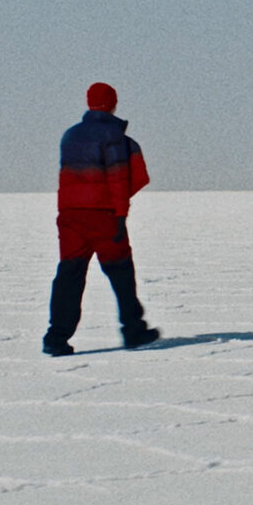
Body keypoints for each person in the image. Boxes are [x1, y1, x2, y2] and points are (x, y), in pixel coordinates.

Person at [43, 82, 160, 356]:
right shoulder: (113, 136)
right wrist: (121, 215)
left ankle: (56, 338)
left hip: (71, 217)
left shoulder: (69, 136)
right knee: (121, 273)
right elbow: (118, 178)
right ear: (113, 103)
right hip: (103, 216)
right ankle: (133, 329)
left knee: (69, 277)